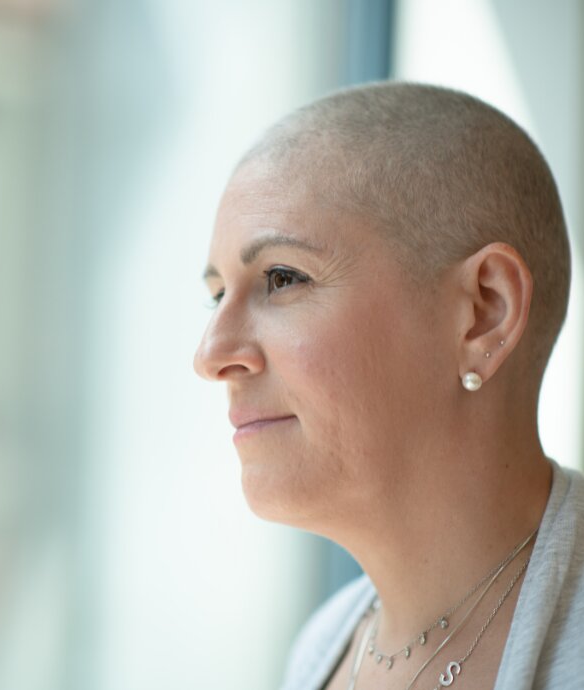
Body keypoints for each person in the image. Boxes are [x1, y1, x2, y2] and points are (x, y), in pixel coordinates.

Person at [193, 82, 583, 690]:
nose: (211, 355)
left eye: (283, 277)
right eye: (219, 295)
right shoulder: (321, 650)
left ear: (485, 311)